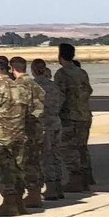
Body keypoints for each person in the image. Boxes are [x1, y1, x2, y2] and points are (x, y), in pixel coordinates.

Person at [0, 56, 32, 217]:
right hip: (20, 134)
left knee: (3, 170)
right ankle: (18, 202)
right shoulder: (21, 87)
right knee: (19, 168)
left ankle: (9, 203)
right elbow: (30, 113)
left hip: (2, 137)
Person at [54, 43, 95, 193]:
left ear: (60, 56)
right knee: (82, 147)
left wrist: (54, 113)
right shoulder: (81, 72)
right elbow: (88, 90)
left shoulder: (62, 74)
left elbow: (60, 96)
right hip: (84, 115)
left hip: (70, 117)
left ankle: (75, 178)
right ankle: (86, 178)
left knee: (68, 148)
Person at [9, 56, 46, 211]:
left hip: (24, 129)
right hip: (36, 128)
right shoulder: (35, 85)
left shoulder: (18, 86)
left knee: (21, 164)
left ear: (13, 69)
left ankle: (23, 196)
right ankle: (35, 192)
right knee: (35, 161)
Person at [31, 58, 66, 203]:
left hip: (44, 124)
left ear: (33, 70)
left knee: (45, 157)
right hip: (56, 122)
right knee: (55, 154)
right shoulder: (53, 86)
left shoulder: (35, 86)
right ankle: (58, 185)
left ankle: (50, 187)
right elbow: (62, 101)